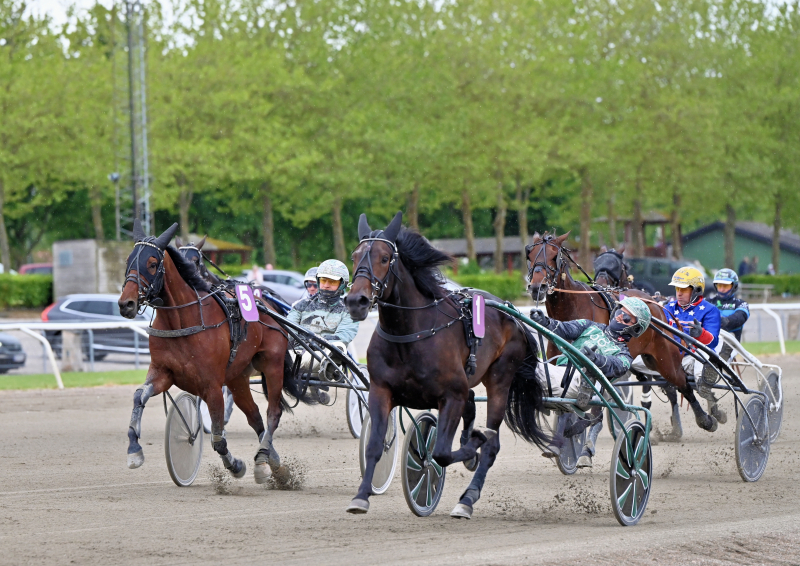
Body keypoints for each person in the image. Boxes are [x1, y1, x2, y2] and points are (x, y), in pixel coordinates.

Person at [530, 296, 651, 468]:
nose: (618, 316)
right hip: (558, 374)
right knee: (527, 365)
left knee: (589, 374)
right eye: (619, 311)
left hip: (583, 387)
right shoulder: (589, 326)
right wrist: (544, 321)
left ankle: (586, 386)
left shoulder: (624, 356)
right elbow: (563, 329)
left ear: (635, 328)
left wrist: (596, 359)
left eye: (626, 317)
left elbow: (615, 366)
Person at [286, 259, 359, 403]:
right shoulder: (300, 305)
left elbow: (344, 335)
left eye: (331, 282)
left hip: (324, 354)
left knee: (338, 346)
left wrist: (318, 342)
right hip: (295, 353)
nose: (325, 285)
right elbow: (288, 328)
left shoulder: (349, 310)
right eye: (323, 280)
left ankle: (328, 365)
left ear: (342, 284)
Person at [663, 266, 726, 423]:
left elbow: (713, 341)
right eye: (677, 288)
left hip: (694, 354)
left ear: (696, 290)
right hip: (672, 356)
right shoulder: (667, 308)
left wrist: (700, 334)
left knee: (703, 354)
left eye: (684, 289)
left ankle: (704, 381)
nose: (679, 293)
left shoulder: (710, 310)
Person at [709, 268, 750, 344]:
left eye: (725, 286)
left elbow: (740, 317)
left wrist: (726, 321)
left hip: (729, 347)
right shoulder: (707, 302)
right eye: (719, 285)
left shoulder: (740, 304)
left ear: (734, 286)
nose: (721, 289)